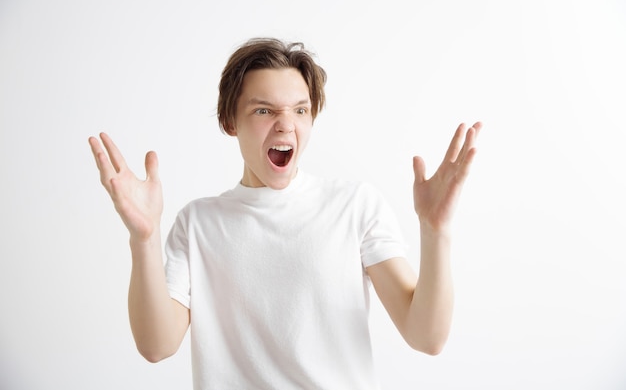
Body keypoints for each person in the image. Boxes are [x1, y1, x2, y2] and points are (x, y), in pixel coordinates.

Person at [88, 38, 481, 389]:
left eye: (300, 110)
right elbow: (157, 346)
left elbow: (426, 337)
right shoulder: (198, 224)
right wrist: (144, 239)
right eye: (263, 111)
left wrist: (435, 231)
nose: (286, 125)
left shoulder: (354, 206)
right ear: (230, 121)